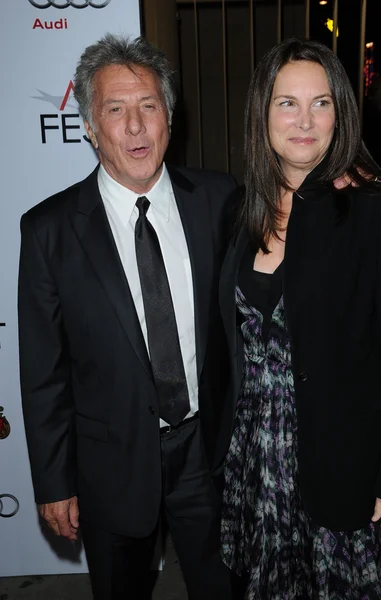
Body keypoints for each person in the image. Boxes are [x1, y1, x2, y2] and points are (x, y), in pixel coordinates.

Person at [18, 34, 237, 600]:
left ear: (169, 116)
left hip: (208, 454)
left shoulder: (222, 202)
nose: (135, 127)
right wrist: (53, 481)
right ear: (90, 126)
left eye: (148, 106)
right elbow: (44, 371)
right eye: (115, 110)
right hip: (109, 464)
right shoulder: (49, 231)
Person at [215, 37, 381, 599]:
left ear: (341, 113)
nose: (304, 120)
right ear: (261, 114)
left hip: (341, 457)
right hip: (256, 456)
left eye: (321, 102)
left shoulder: (375, 210)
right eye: (286, 103)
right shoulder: (240, 208)